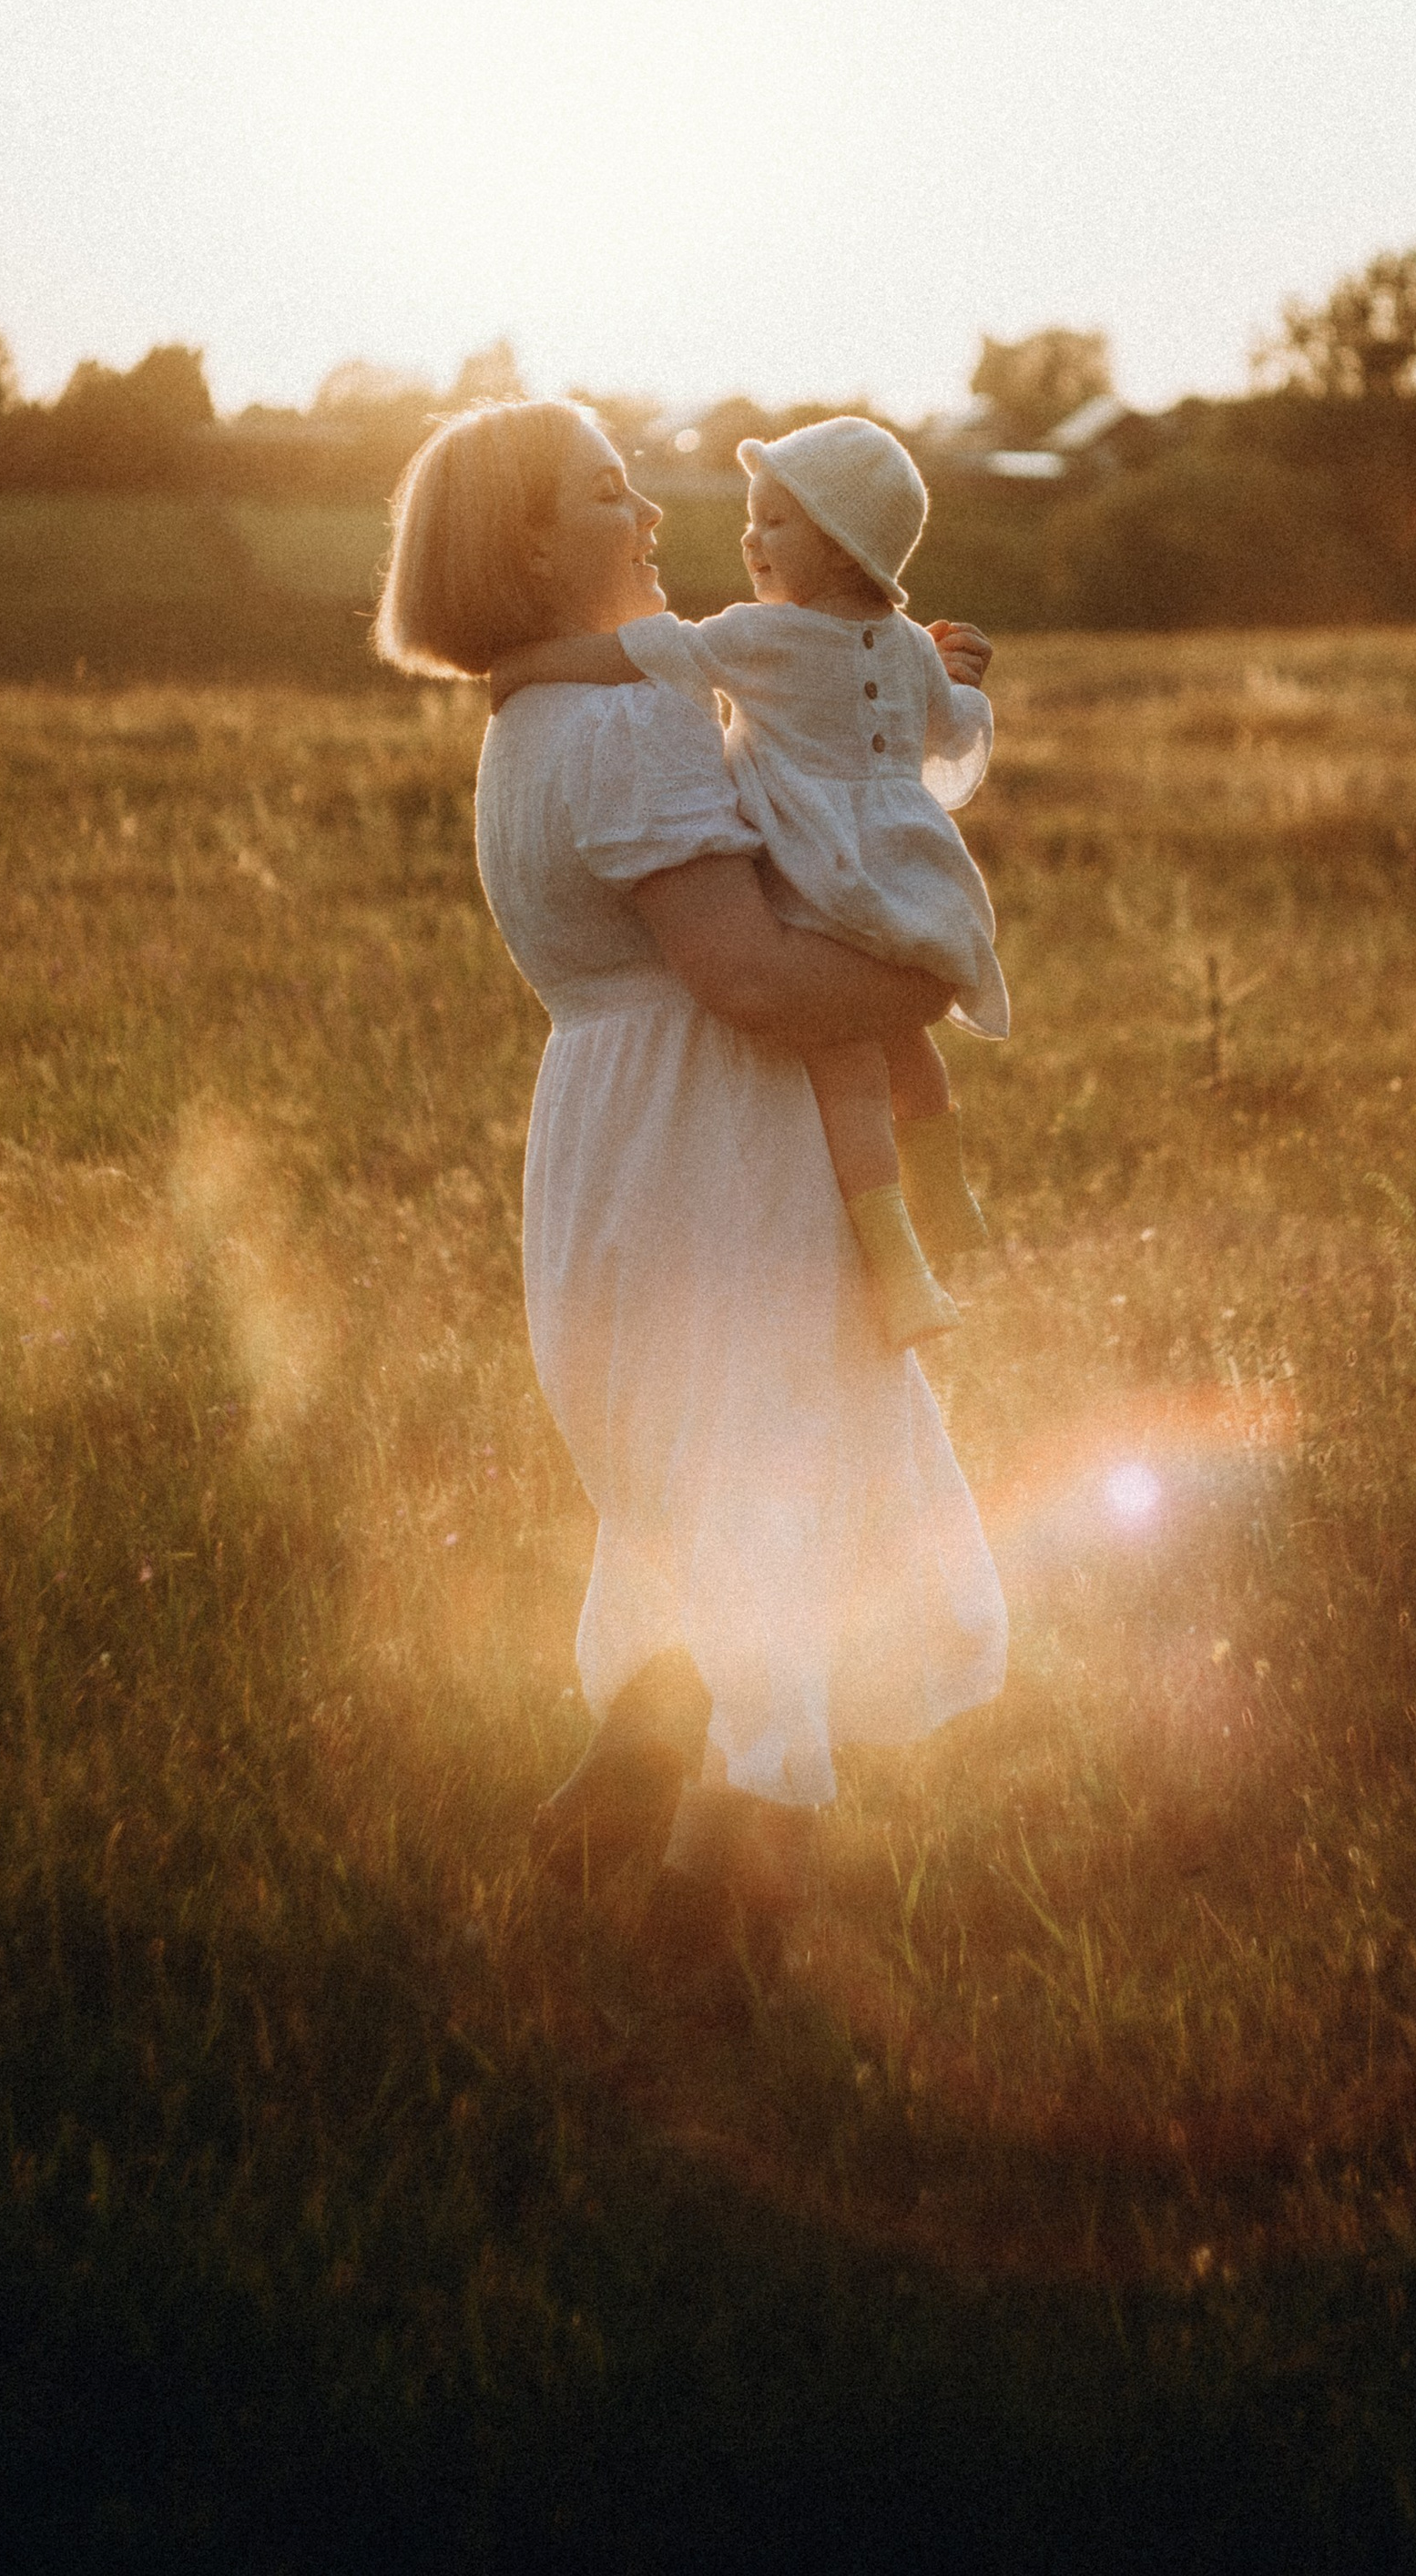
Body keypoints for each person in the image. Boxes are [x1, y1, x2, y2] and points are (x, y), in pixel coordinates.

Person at [375, 400, 1008, 1985]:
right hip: (712, 1145)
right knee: (776, 1479)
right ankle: (716, 1931)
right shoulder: (635, 724)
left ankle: (626, 1795)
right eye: (610, 491)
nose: (651, 511)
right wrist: (919, 994)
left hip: (606, 1137)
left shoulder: (526, 725)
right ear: (531, 541)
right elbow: (740, 973)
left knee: (694, 1473)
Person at [486, 415, 1004, 1349]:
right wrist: (949, 674)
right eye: (753, 520)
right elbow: (951, 725)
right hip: (908, 863)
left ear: (841, 545)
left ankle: (901, 1264)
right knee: (895, 1038)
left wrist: (522, 668)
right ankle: (944, 1187)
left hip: (819, 871)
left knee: (849, 1064)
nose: (747, 538)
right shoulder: (902, 646)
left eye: (774, 523)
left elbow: (639, 651)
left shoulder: (752, 638)